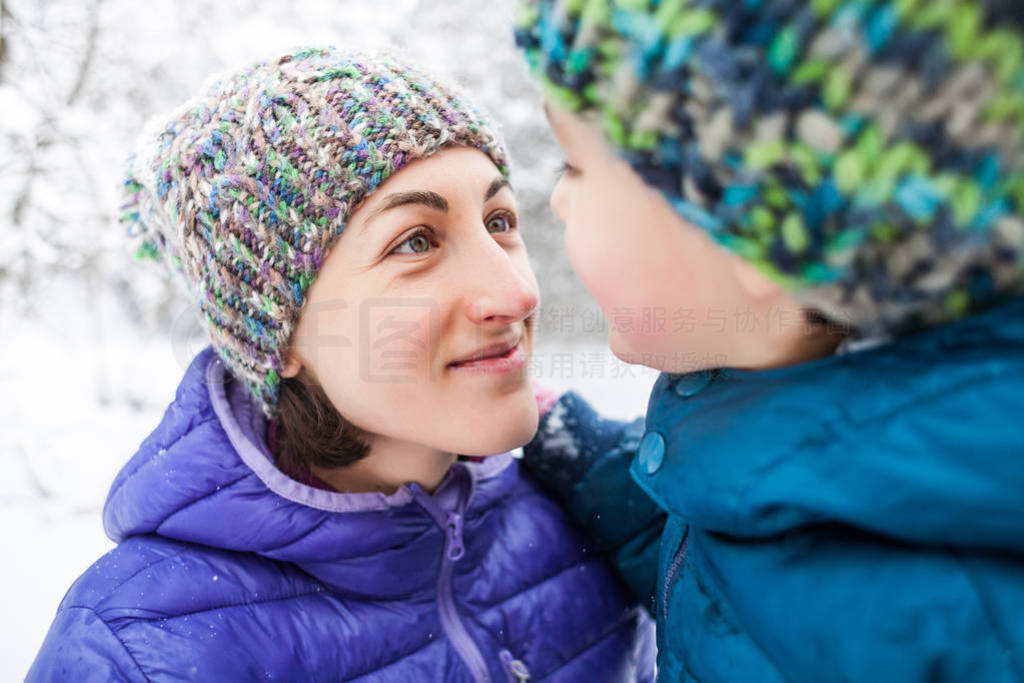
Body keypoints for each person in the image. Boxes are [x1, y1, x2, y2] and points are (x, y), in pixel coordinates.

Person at [26, 47, 655, 682]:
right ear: (280, 334)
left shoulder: (597, 525)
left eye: (499, 222)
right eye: (416, 241)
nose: (516, 295)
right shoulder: (138, 653)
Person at [513, 1, 1024, 680]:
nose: (557, 202)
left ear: (748, 221)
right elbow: (724, 584)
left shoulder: (944, 616)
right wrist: (581, 452)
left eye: (572, 166)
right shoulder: (823, 448)